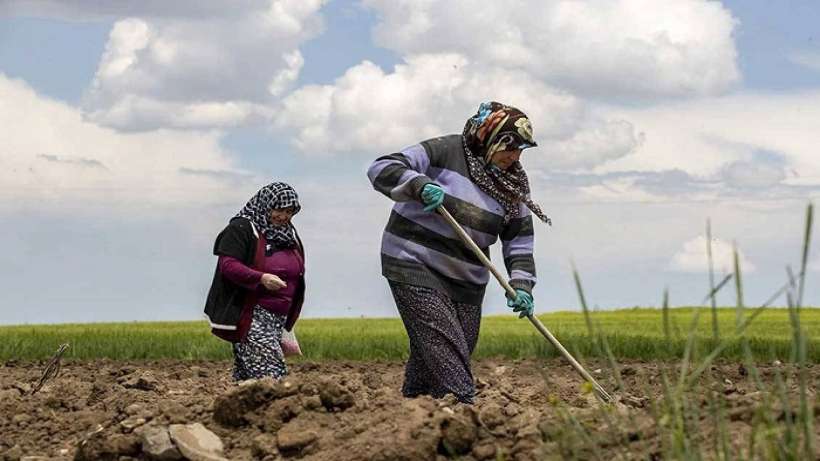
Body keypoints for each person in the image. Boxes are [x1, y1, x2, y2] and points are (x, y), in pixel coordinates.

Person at [366, 101, 550, 404]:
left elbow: (519, 240)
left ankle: (414, 409)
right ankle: (463, 408)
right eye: (510, 147)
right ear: (490, 138)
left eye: (520, 150)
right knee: (444, 347)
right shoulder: (446, 150)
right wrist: (418, 184)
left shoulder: (513, 185)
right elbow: (382, 167)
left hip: (467, 279)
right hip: (414, 261)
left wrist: (522, 285)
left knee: (448, 348)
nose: (515, 157)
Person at [204, 182, 306, 381]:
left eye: (289, 212)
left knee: (249, 381)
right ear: (266, 205)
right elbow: (228, 265)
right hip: (252, 316)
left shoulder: (289, 234)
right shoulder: (241, 228)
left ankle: (240, 409)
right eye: (278, 209)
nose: (283, 216)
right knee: (272, 377)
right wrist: (261, 278)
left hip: (278, 319)